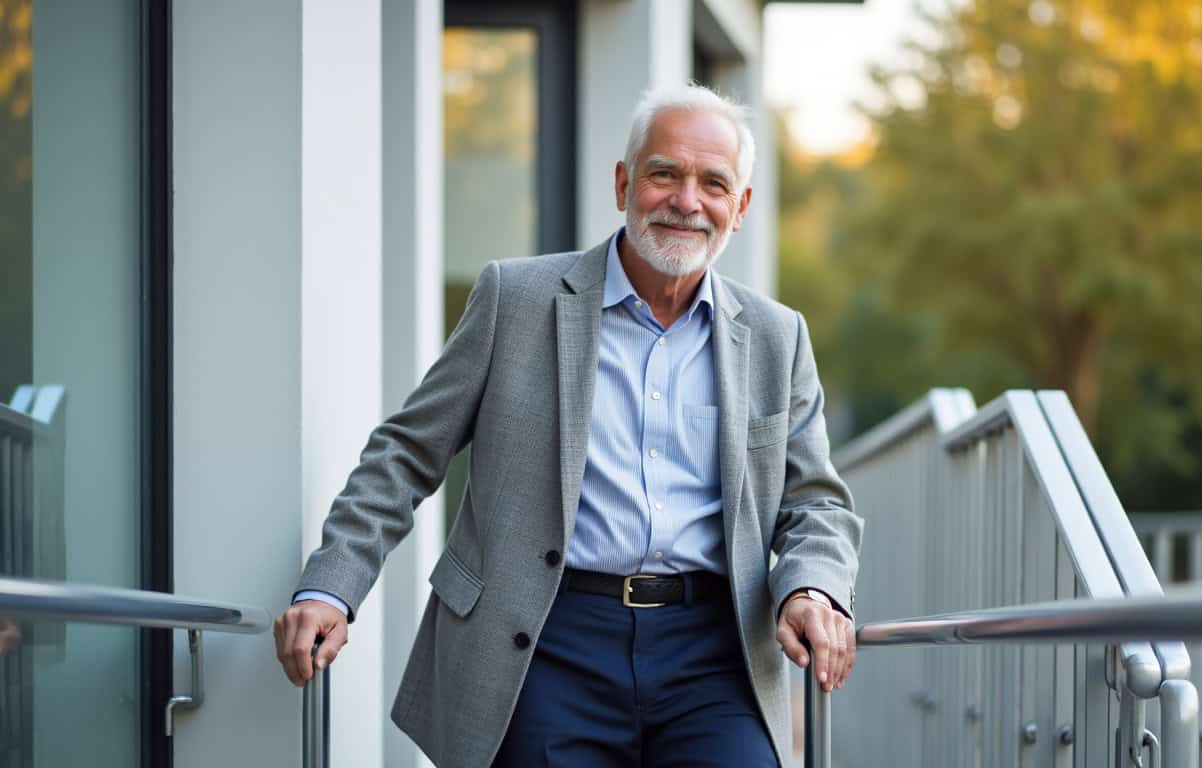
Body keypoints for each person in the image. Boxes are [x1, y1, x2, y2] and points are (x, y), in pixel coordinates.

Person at [273, 83, 862, 768]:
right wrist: (329, 587)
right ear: (623, 183)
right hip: (545, 637)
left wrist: (811, 587)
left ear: (741, 207)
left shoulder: (775, 336)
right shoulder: (515, 298)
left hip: (714, 651)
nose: (686, 201)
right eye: (664, 173)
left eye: (713, 183)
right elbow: (405, 454)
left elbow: (816, 500)